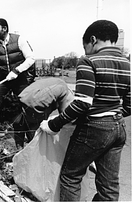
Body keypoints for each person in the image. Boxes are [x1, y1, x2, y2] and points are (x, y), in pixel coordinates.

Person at [40, 20, 131, 201]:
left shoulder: (89, 61)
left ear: (93, 39)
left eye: (85, 46)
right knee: (109, 187)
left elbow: (83, 103)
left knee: (70, 177)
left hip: (94, 129)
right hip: (118, 128)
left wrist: (54, 124)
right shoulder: (127, 64)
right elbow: (129, 104)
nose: (85, 51)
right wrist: (115, 114)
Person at [0, 18, 36, 147]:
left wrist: (17, 70)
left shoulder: (19, 40)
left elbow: (31, 58)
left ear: (4, 28)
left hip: (19, 78)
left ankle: (31, 137)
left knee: (26, 106)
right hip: (4, 79)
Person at [0, 77, 74, 149]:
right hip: (39, 106)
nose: (10, 125)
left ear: (15, 113)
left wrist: (62, 117)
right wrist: (19, 152)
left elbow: (60, 88)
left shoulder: (36, 100)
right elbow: (18, 133)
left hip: (61, 90)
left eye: (10, 122)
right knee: (33, 135)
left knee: (67, 127)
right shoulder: (18, 115)